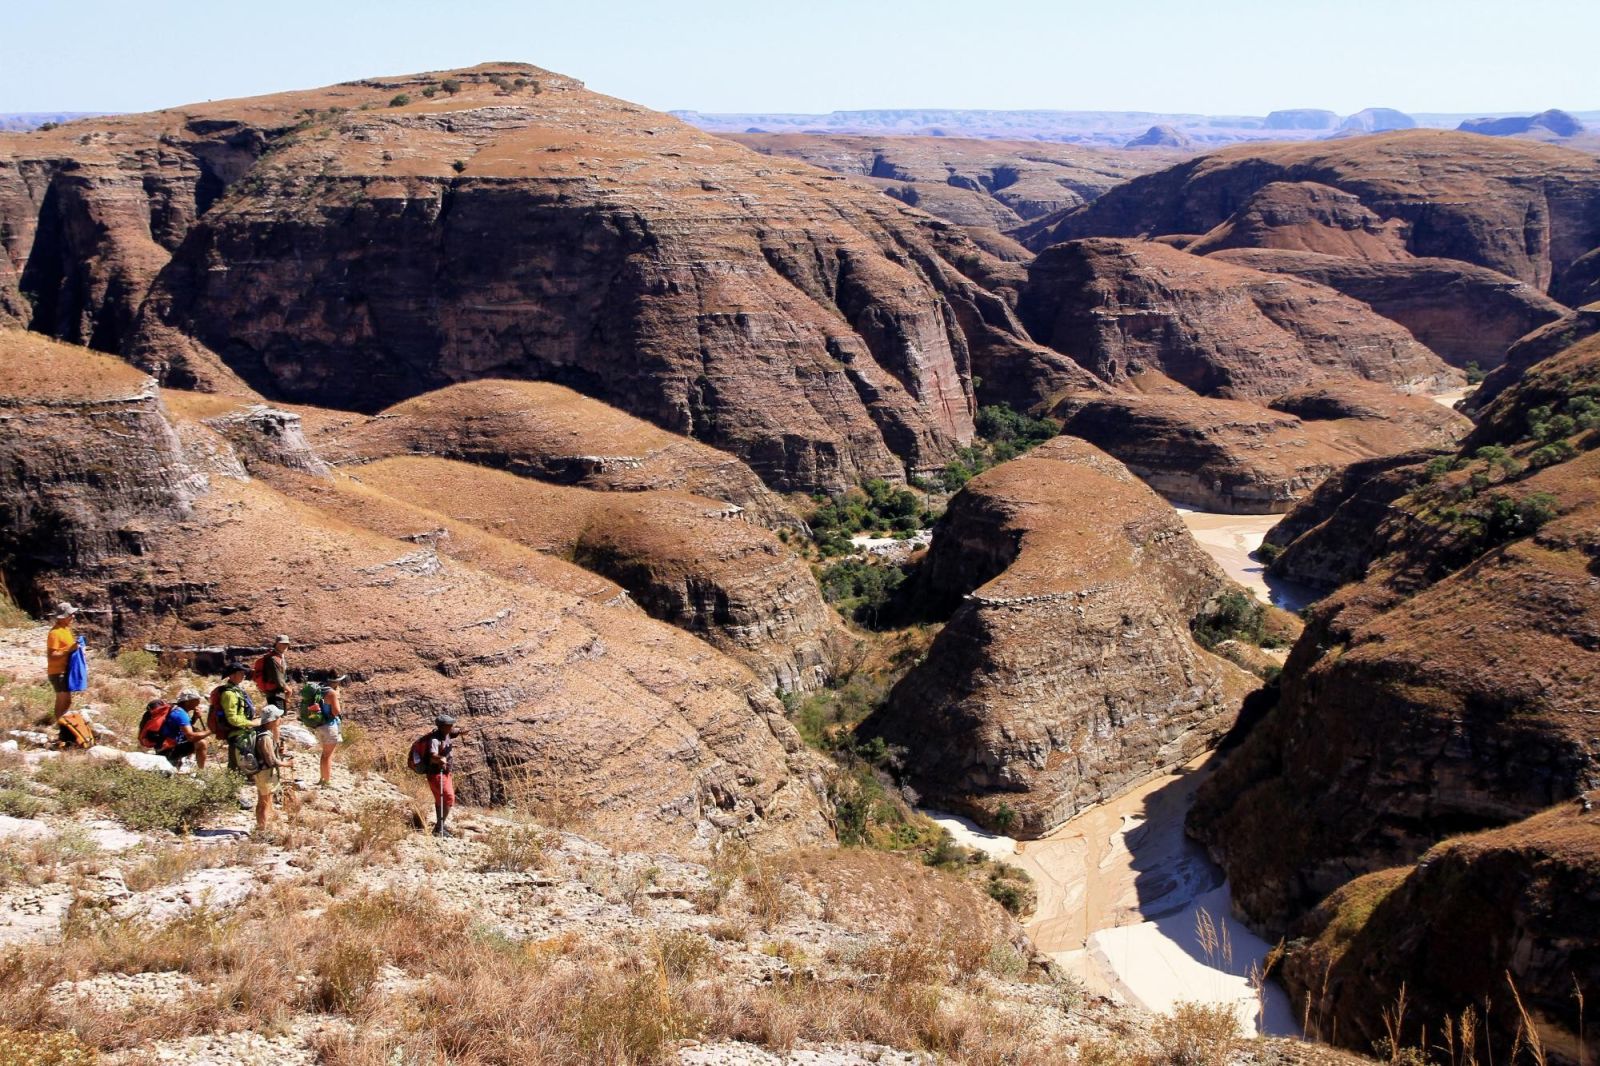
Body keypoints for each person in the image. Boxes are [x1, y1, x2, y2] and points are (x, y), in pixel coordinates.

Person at [252, 705, 293, 833]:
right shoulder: (265, 737)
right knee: (264, 801)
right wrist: (287, 764)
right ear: (273, 720)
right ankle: (262, 829)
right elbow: (271, 760)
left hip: (261, 772)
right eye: (278, 717)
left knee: (263, 799)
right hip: (265, 773)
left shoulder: (262, 733)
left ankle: (262, 826)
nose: (280, 719)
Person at [425, 715, 466, 838]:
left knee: (440, 800)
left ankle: (440, 826)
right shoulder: (434, 740)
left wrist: (461, 732)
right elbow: (432, 755)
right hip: (437, 774)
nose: (451, 727)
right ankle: (439, 829)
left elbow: (454, 733)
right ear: (442, 727)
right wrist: (440, 758)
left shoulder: (446, 733)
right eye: (450, 725)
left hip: (445, 772)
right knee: (448, 798)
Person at [217, 662, 261, 771]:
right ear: (232, 675)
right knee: (239, 764)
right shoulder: (229, 694)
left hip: (243, 729)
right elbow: (232, 718)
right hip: (238, 732)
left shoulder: (236, 690)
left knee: (235, 765)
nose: (244, 675)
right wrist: (252, 723)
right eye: (241, 673)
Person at [158, 690, 210, 770]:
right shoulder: (181, 714)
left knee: (198, 735)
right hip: (168, 750)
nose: (199, 702)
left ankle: (182, 762)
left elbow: (183, 727)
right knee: (202, 743)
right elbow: (191, 737)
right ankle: (201, 771)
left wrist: (194, 718)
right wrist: (211, 730)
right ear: (187, 702)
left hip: (163, 746)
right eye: (196, 700)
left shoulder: (176, 710)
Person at [313, 675, 348, 788]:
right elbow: (336, 711)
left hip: (320, 725)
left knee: (325, 754)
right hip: (330, 726)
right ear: (336, 681)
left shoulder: (320, 688)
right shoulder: (331, 693)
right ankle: (326, 781)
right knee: (328, 755)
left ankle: (323, 779)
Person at [46, 603, 79, 716]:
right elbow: (52, 655)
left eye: (73, 614)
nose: (73, 616)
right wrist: (69, 650)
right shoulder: (54, 633)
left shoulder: (66, 630)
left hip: (65, 671)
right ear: (63, 617)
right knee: (63, 700)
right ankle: (60, 726)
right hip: (57, 673)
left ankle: (62, 726)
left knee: (67, 700)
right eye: (70, 614)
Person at [256, 636, 292, 711]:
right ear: (276, 644)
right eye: (282, 643)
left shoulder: (278, 657)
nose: (285, 646)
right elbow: (278, 678)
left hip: (276, 693)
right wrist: (288, 690)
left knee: (277, 716)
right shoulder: (274, 659)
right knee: (277, 717)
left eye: (286, 644)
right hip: (275, 693)